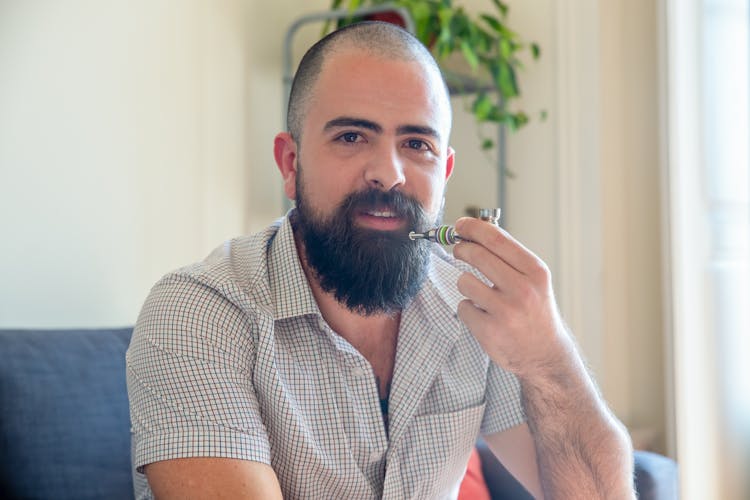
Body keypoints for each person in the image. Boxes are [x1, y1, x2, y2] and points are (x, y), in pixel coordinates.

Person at [126, 21, 635, 499]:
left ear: (445, 173)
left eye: (417, 144)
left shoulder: (475, 302)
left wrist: (548, 359)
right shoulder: (197, 315)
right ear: (290, 163)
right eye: (351, 137)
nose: (389, 174)